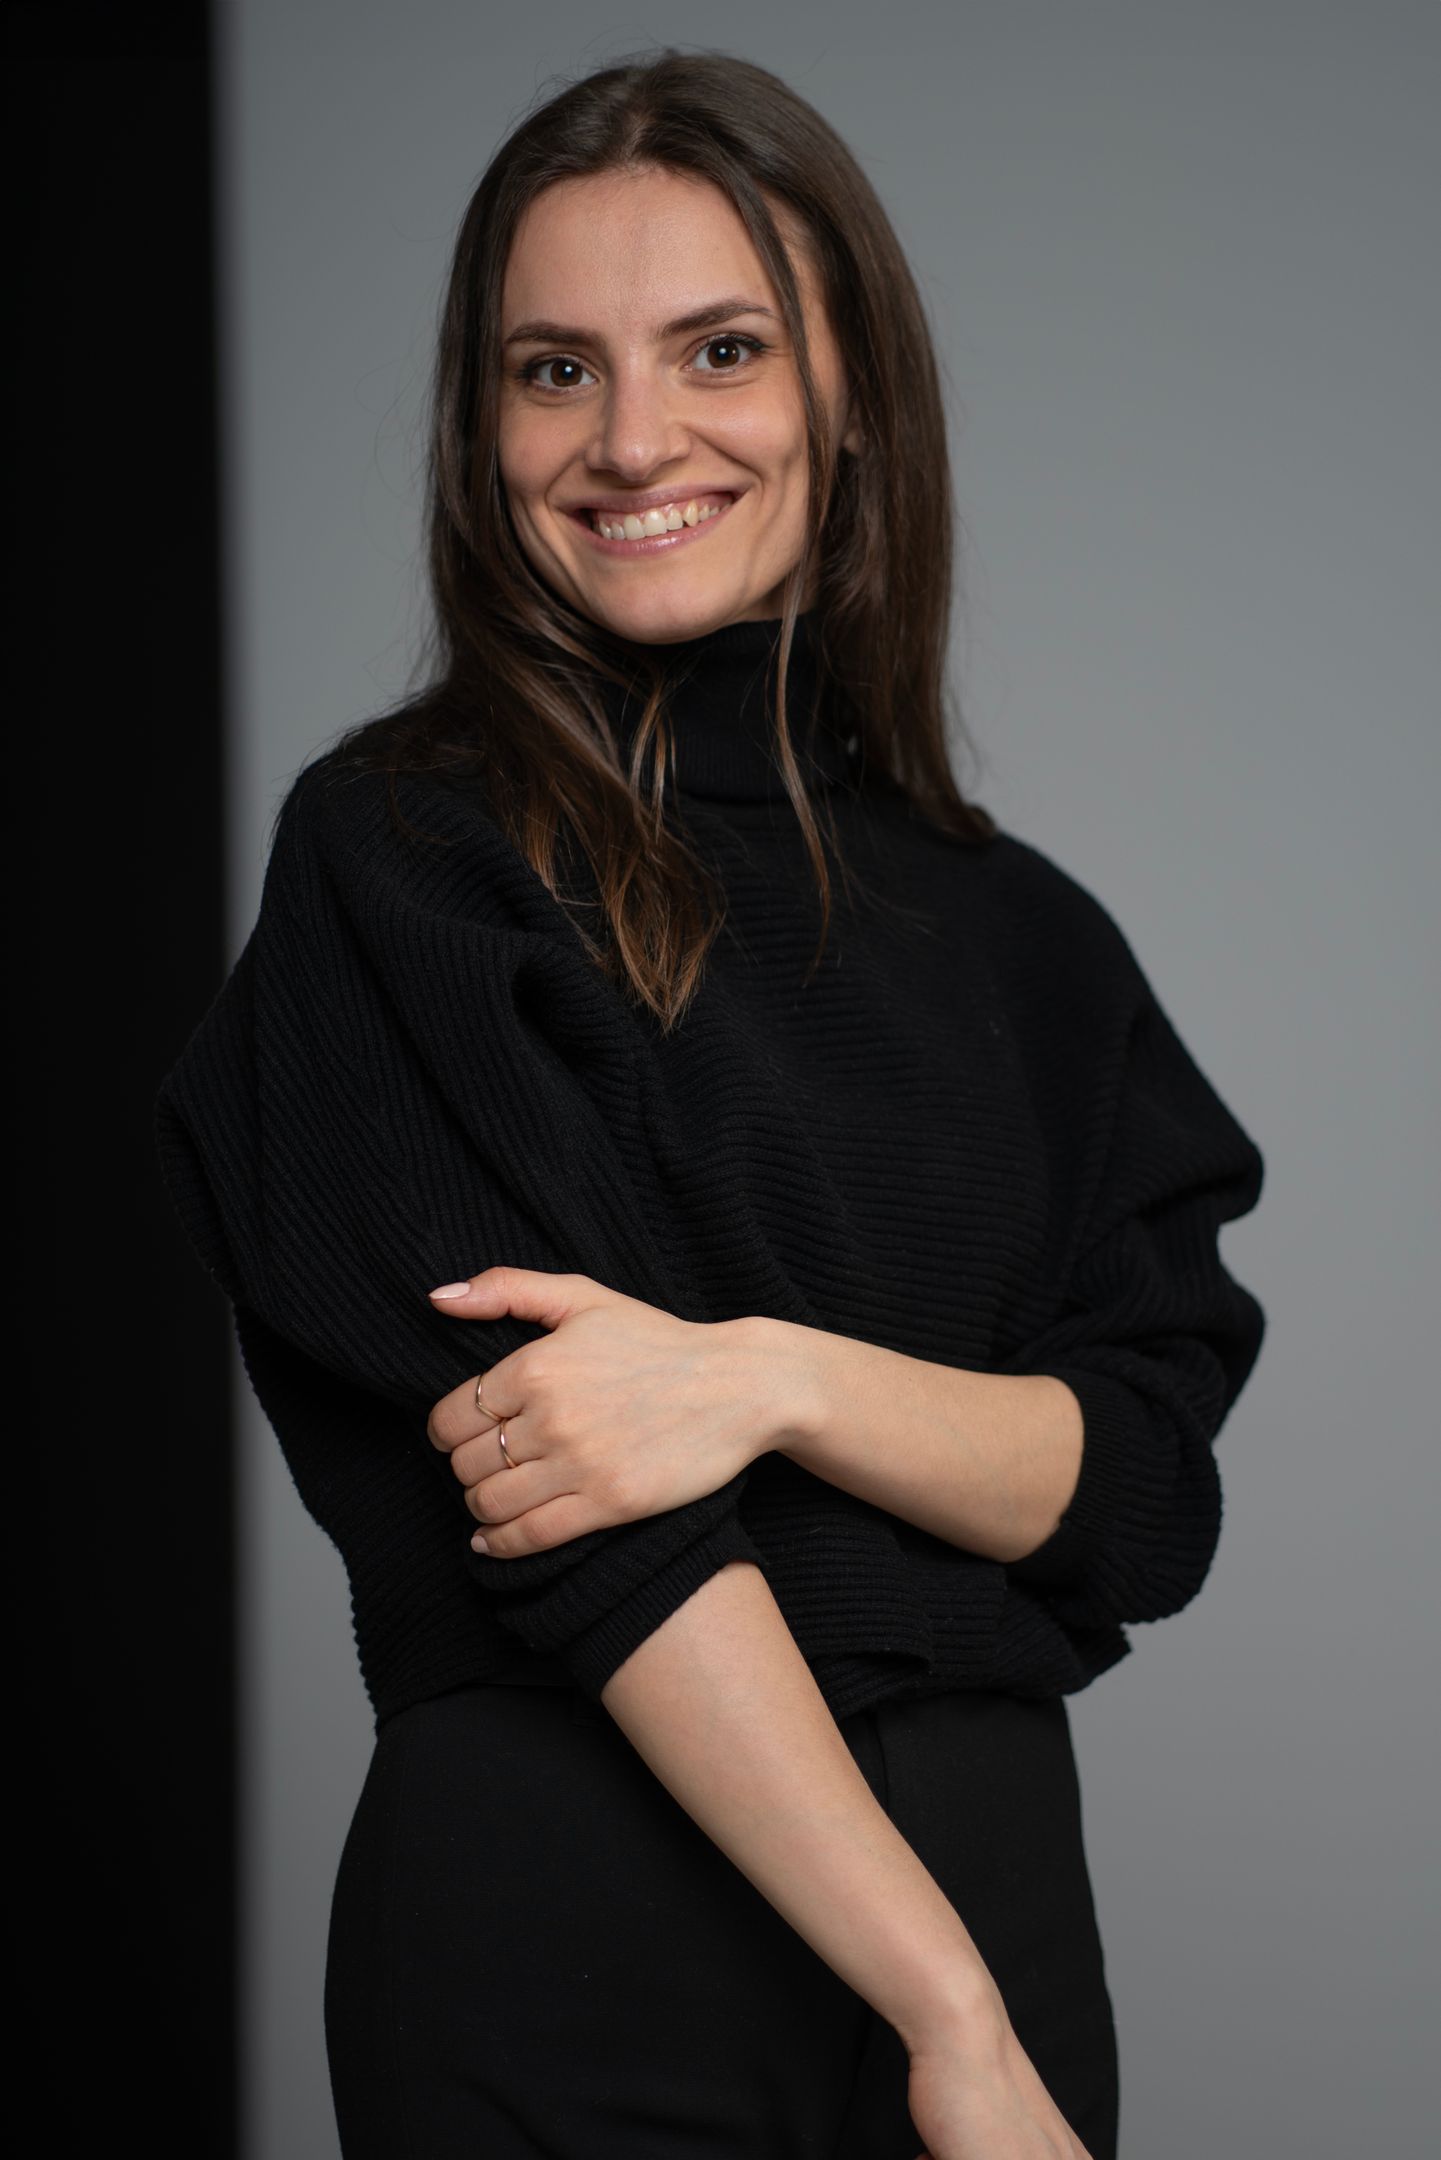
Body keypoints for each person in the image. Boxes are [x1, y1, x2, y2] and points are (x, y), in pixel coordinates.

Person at [156, 47, 1267, 2160]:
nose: (633, 438)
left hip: (998, 1906)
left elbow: (1137, 1499)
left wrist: (768, 1380)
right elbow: (585, 1514)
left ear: (851, 399)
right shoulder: (407, 860)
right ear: (482, 430)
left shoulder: (1034, 943)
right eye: (553, 370)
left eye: (720, 349)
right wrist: (944, 2010)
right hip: (588, 1929)